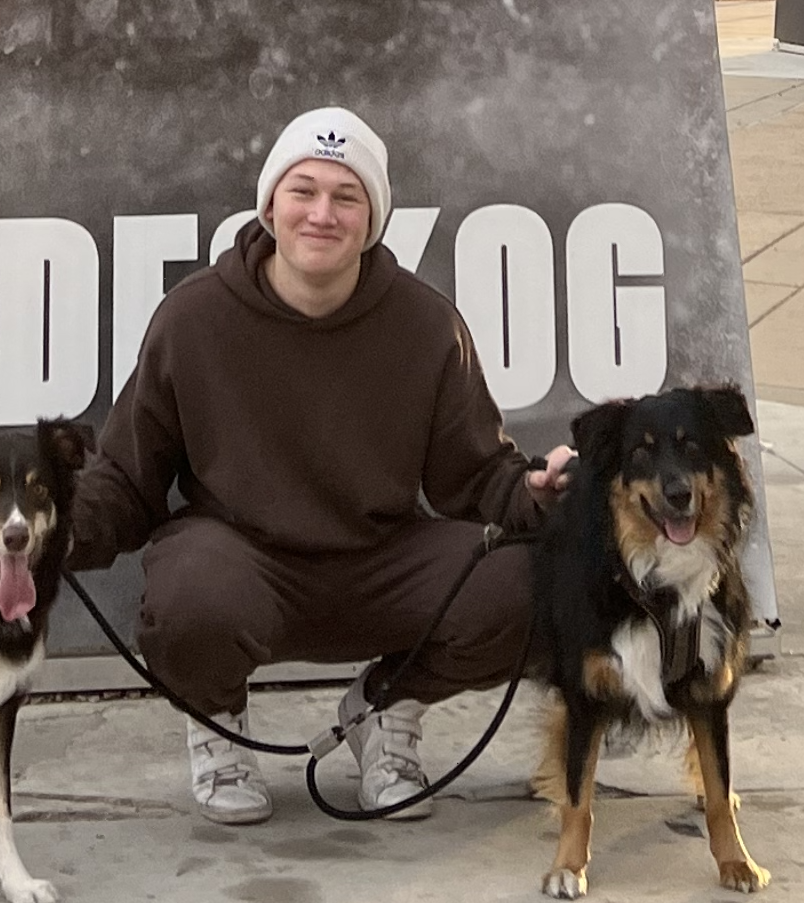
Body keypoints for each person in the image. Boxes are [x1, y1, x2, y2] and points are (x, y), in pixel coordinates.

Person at [69, 106, 571, 824]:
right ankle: (217, 724)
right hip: (245, 564)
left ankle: (384, 710)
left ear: (372, 218)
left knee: (525, 586)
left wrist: (535, 490)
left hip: (380, 561)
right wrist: (55, 527)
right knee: (190, 598)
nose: (321, 214)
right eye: (302, 190)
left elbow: (478, 476)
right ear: (270, 204)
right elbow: (126, 479)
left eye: (347, 196)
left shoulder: (425, 325)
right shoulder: (194, 318)